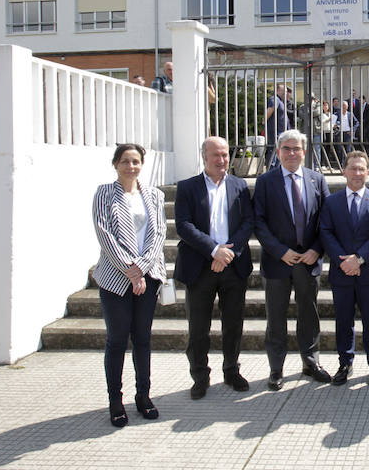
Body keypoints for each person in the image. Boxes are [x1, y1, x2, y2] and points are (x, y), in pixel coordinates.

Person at [92, 143, 166, 428]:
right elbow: (104, 232)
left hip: (147, 277)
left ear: (141, 165)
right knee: (117, 340)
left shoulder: (154, 195)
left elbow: (159, 232)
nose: (131, 166)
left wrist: (142, 269)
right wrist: (130, 271)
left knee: (143, 339)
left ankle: (144, 396)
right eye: (125, 161)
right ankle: (115, 400)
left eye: (135, 161)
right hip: (115, 277)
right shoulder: (104, 193)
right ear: (115, 164)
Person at [174, 137, 254, 400]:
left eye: (225, 154)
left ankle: (231, 370)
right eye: (215, 155)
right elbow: (184, 226)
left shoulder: (240, 185)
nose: (221, 160)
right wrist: (213, 250)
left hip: (233, 266)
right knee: (198, 327)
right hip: (200, 266)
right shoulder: (187, 187)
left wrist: (228, 252)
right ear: (204, 157)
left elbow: (247, 222)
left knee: (233, 324)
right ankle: (200, 376)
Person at [253, 130, 332, 391]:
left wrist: (317, 250)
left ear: (304, 151)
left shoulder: (316, 180)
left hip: (308, 260)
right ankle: (276, 369)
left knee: (308, 314)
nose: (291, 153)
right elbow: (259, 223)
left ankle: (310, 362)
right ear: (277, 152)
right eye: (286, 148)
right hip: (278, 262)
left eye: (296, 148)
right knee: (276, 317)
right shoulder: (265, 182)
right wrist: (279, 251)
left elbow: (327, 221)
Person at [319, 151, 369, 386]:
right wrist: (344, 262)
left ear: (368, 172)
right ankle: (344, 363)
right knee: (343, 320)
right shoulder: (331, 202)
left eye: (362, 168)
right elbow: (326, 232)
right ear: (344, 171)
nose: (357, 173)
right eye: (353, 168)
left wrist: (357, 260)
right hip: (342, 273)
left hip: (368, 272)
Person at [266, 84, 290, 168]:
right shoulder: (274, 99)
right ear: (278, 90)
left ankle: (276, 169)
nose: (286, 93)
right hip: (275, 130)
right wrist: (264, 120)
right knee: (274, 150)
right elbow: (270, 109)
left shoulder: (280, 101)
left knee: (278, 151)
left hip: (281, 131)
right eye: (284, 91)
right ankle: (271, 170)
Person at [320, 100, 335, 169]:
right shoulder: (321, 114)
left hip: (330, 131)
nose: (326, 107)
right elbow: (321, 122)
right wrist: (327, 120)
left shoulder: (330, 114)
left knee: (329, 148)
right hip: (324, 132)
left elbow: (332, 123)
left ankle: (328, 164)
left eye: (327, 105)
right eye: (324, 105)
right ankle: (322, 164)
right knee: (324, 148)